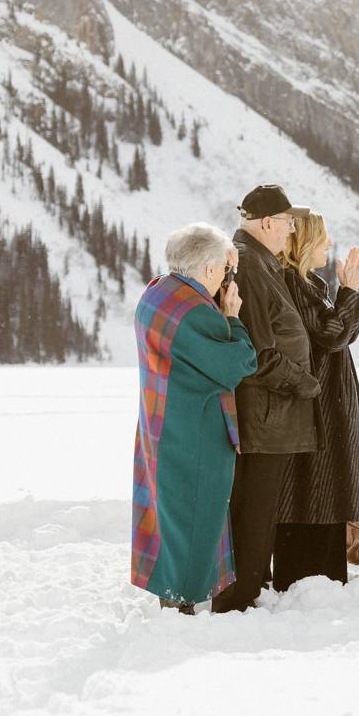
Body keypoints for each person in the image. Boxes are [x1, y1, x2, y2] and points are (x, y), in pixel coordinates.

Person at [130, 224, 257, 611]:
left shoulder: (157, 291)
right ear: (207, 271)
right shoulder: (201, 316)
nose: (224, 276)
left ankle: (171, 591)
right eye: (221, 268)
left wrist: (221, 262)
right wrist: (233, 317)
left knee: (167, 514)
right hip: (193, 433)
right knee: (197, 515)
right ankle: (183, 601)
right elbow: (239, 363)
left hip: (160, 424)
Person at [214, 185, 322, 613]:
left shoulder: (258, 261)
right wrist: (304, 382)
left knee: (257, 505)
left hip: (269, 413)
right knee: (253, 508)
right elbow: (258, 353)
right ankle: (238, 596)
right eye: (288, 223)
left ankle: (248, 586)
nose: (292, 231)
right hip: (265, 412)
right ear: (267, 223)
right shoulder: (251, 267)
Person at [275, 212, 359, 582]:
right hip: (316, 404)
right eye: (322, 238)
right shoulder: (293, 283)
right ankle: (314, 572)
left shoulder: (306, 283)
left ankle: (327, 562)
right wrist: (349, 291)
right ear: (303, 244)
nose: (328, 244)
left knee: (326, 483)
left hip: (323, 402)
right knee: (316, 484)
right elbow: (331, 335)